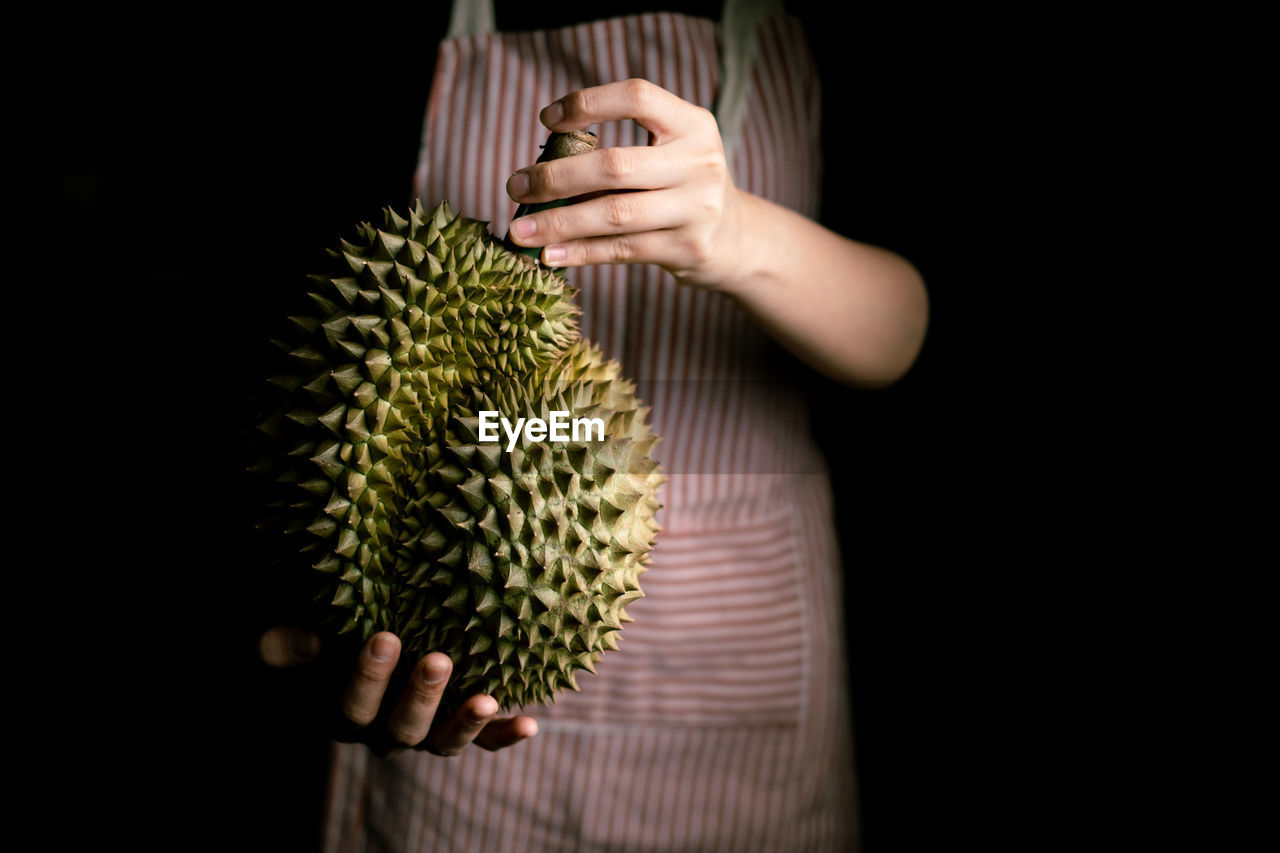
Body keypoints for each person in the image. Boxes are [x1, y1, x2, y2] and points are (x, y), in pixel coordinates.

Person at [258, 0, 927, 849]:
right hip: (444, 752)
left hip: (741, 678)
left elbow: (906, 330)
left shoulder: (804, 26)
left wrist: (737, 233)